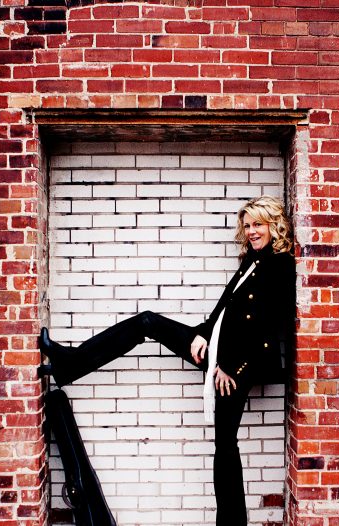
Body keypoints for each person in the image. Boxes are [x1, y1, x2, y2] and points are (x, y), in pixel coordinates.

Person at [39, 195, 296, 526]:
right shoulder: (252, 260)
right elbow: (224, 309)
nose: (251, 232)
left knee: (225, 445)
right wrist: (203, 333)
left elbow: (269, 327)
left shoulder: (280, 265)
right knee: (147, 322)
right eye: (247, 226)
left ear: (273, 225)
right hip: (216, 349)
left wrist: (232, 367)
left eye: (258, 224)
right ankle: (70, 363)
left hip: (238, 366)